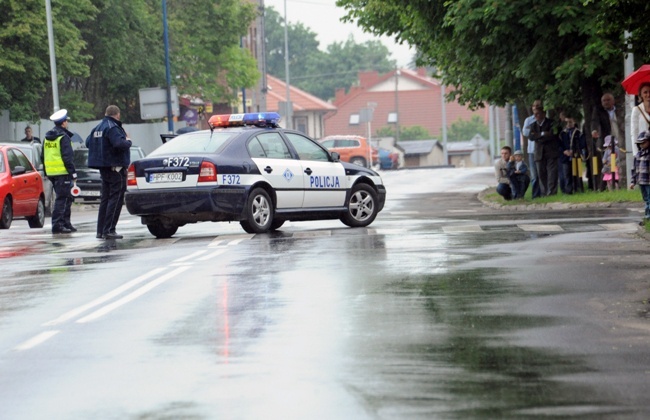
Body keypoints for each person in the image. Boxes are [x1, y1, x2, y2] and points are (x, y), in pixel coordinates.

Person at [86, 105, 132, 240]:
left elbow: (88, 142)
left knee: (105, 200)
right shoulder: (113, 127)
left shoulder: (97, 128)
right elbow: (119, 144)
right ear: (117, 115)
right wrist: (128, 141)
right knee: (115, 199)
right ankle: (109, 230)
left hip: (104, 169)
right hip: (115, 169)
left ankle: (100, 231)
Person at [42, 109, 77, 234]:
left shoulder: (47, 137)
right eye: (66, 121)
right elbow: (68, 157)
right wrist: (73, 173)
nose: (67, 123)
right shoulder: (63, 137)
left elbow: (43, 156)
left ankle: (66, 223)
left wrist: (47, 171)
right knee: (62, 199)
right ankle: (57, 225)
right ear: (63, 123)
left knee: (66, 198)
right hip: (62, 172)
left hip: (52, 173)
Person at [591, 92, 625, 191]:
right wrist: (594, 130)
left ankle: (619, 185)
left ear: (613, 101)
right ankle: (602, 188)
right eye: (604, 101)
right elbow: (594, 121)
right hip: (606, 142)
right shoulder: (598, 111)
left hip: (620, 139)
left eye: (608, 100)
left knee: (620, 164)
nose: (606, 102)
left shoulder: (619, 110)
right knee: (607, 165)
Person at [528, 106, 560, 196]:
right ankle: (545, 192)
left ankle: (552, 192)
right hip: (539, 153)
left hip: (551, 152)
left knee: (552, 173)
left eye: (538, 114)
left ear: (543, 113)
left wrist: (538, 136)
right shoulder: (533, 125)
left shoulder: (551, 123)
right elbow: (531, 137)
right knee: (541, 174)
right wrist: (542, 134)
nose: (536, 116)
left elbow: (553, 135)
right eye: (535, 114)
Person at [559, 114, 586, 194]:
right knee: (567, 174)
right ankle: (568, 190)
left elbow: (582, 144)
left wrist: (575, 151)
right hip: (565, 157)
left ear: (574, 122)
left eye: (570, 122)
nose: (568, 124)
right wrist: (564, 151)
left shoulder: (578, 133)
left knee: (577, 173)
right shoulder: (562, 133)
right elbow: (560, 144)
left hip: (576, 156)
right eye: (567, 122)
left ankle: (578, 188)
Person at [522, 100, 542, 198]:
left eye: (538, 105)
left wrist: (534, 131)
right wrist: (534, 131)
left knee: (542, 173)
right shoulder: (529, 120)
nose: (536, 107)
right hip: (532, 150)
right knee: (534, 175)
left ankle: (544, 193)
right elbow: (525, 132)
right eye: (534, 105)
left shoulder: (543, 119)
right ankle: (535, 195)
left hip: (542, 150)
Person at [629, 131, 650, 225]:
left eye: (644, 142)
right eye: (640, 143)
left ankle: (648, 217)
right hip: (641, 181)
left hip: (648, 181)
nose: (642, 145)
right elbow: (634, 169)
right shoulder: (638, 155)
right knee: (646, 199)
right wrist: (633, 181)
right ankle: (647, 217)